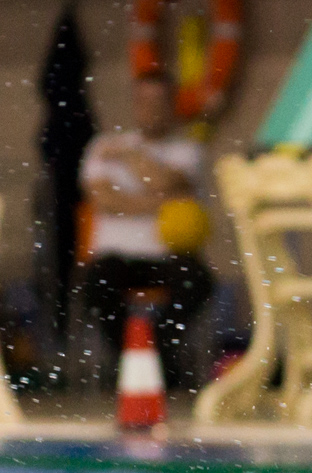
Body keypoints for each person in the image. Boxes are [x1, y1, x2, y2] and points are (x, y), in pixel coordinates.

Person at [79, 73, 214, 389]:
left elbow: (166, 182)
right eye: (144, 102)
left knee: (197, 280)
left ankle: (155, 355)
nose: (151, 110)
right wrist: (160, 200)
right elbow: (102, 200)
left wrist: (129, 159)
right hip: (116, 258)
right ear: (134, 104)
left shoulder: (188, 150)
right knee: (97, 283)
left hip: (169, 256)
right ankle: (131, 358)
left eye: (159, 102)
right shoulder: (101, 146)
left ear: (172, 105)